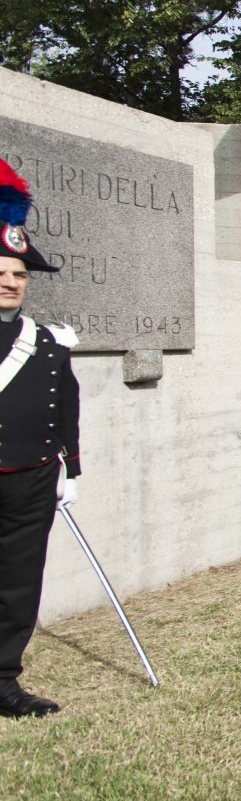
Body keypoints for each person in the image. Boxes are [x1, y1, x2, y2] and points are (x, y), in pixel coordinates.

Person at [0, 169, 81, 717]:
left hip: (30, 478)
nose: (12, 282)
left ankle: (3, 680)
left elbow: (65, 407)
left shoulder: (47, 343)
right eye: (3, 273)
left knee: (18, 585)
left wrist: (69, 470)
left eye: (20, 275)